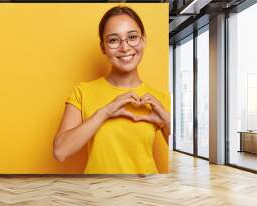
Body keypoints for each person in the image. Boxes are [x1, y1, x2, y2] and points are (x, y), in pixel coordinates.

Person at [52, 6, 170, 174]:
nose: (125, 47)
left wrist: (167, 121)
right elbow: (60, 152)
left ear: (143, 40)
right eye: (114, 40)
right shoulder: (82, 92)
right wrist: (105, 112)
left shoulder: (161, 99)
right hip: (98, 195)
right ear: (103, 47)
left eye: (132, 37)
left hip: (146, 195)